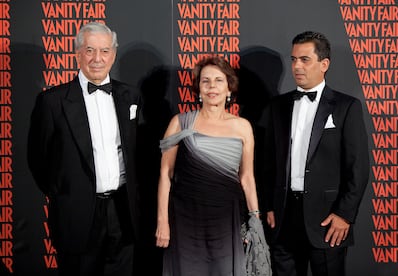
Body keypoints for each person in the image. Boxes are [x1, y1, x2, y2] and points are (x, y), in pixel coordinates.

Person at [27, 21, 144, 276]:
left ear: (113, 55)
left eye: (104, 51)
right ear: (77, 53)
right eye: (89, 50)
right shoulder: (52, 102)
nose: (97, 59)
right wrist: (67, 192)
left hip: (123, 213)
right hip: (76, 216)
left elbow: (140, 156)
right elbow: (38, 160)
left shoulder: (131, 97)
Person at [259, 31, 369, 276]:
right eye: (294, 59)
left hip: (327, 220)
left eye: (304, 59)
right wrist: (269, 205)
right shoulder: (277, 107)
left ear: (324, 64)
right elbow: (267, 164)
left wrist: (344, 214)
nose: (297, 66)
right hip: (283, 217)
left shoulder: (346, 107)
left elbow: (358, 168)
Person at [155, 55, 270, 276]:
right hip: (186, 219)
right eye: (205, 81)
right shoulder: (180, 122)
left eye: (218, 80)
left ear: (229, 88)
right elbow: (165, 175)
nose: (211, 87)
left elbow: (246, 177)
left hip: (226, 220)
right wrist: (162, 221)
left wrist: (255, 219)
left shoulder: (242, 127)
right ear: (198, 88)